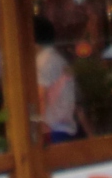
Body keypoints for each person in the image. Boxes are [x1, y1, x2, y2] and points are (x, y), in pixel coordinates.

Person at [33, 15, 79, 144]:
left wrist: (37, 128)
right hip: (62, 129)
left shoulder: (43, 61)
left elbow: (40, 97)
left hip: (52, 131)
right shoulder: (55, 58)